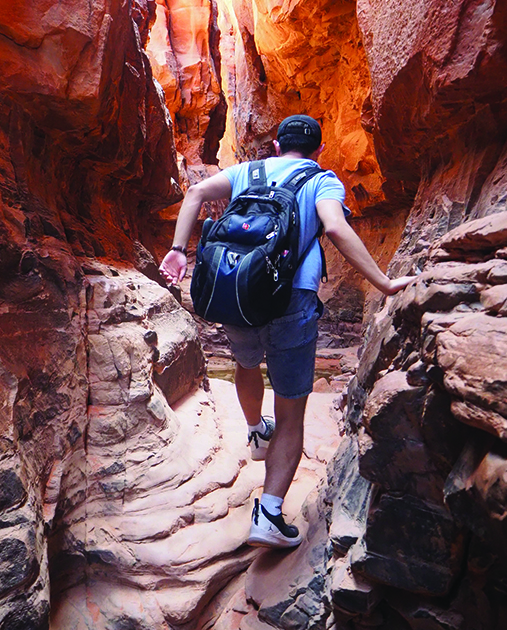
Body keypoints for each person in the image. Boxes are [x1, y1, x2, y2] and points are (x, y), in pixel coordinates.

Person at [159, 114, 413, 548]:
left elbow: (198, 192)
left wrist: (178, 250)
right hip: (290, 298)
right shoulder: (323, 180)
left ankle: (257, 430)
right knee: (292, 411)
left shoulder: (248, 171)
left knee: (245, 362)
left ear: (276, 146)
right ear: (318, 150)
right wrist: (384, 282)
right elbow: (334, 227)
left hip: (236, 291)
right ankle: (270, 515)